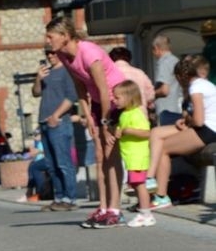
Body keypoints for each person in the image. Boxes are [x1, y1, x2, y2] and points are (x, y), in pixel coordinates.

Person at [45, 17, 126, 229]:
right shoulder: (64, 55)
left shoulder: (89, 53)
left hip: (116, 100)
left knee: (110, 154)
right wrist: (88, 115)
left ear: (65, 36)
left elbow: (104, 90)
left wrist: (106, 122)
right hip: (98, 102)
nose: (47, 41)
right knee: (99, 156)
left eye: (50, 37)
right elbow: (80, 88)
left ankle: (115, 210)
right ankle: (103, 207)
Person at [146, 55, 216, 210]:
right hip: (205, 127)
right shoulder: (202, 84)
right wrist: (185, 121)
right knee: (156, 132)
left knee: (163, 148)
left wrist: (188, 121)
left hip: (209, 129)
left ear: (179, 77)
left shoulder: (195, 88)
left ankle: (161, 196)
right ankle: (150, 177)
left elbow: (199, 121)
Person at [32, 46, 79, 210]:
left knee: (63, 163)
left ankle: (70, 199)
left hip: (59, 122)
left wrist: (55, 115)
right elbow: (36, 93)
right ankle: (59, 197)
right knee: (51, 165)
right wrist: (38, 78)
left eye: (53, 53)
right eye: (47, 53)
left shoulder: (67, 71)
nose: (50, 56)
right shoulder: (47, 72)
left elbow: (72, 97)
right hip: (44, 122)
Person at [111, 80, 155, 227]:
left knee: (139, 184)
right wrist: (118, 131)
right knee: (135, 185)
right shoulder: (125, 114)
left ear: (129, 97)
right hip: (130, 156)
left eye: (117, 97)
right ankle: (144, 211)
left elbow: (146, 133)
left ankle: (146, 214)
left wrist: (129, 130)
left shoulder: (136, 114)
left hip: (137, 156)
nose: (114, 100)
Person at [109, 46, 155, 111]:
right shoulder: (140, 73)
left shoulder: (109, 74)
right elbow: (151, 95)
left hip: (118, 113)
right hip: (140, 112)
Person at [151, 35, 182, 126]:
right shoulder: (176, 60)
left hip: (165, 111)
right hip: (177, 108)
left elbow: (164, 90)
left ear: (156, 48)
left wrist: (150, 94)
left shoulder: (164, 63)